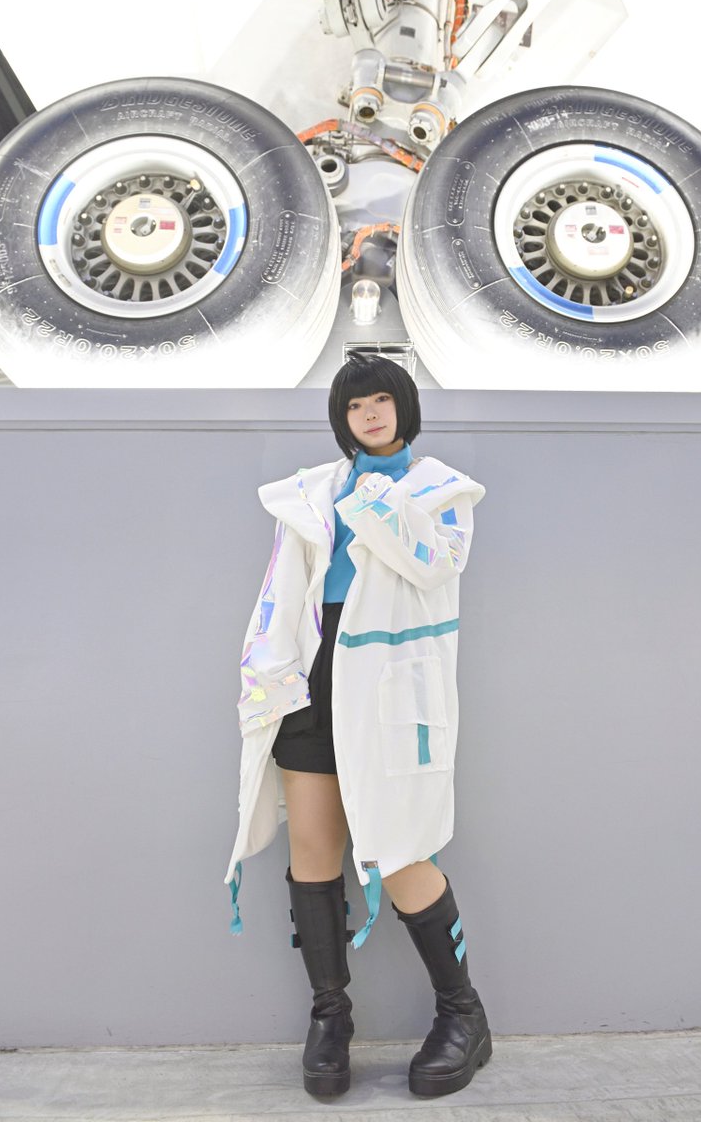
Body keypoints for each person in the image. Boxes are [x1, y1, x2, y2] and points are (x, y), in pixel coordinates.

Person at [224, 351, 489, 1098]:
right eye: (353, 406)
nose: (368, 414)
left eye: (380, 400)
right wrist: (267, 676)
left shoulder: (442, 490)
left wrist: (372, 497)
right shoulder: (314, 490)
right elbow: (282, 592)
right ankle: (330, 1018)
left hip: (388, 686)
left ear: (403, 406)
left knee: (399, 849)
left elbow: (432, 565)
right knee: (313, 850)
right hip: (311, 678)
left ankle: (463, 1015)